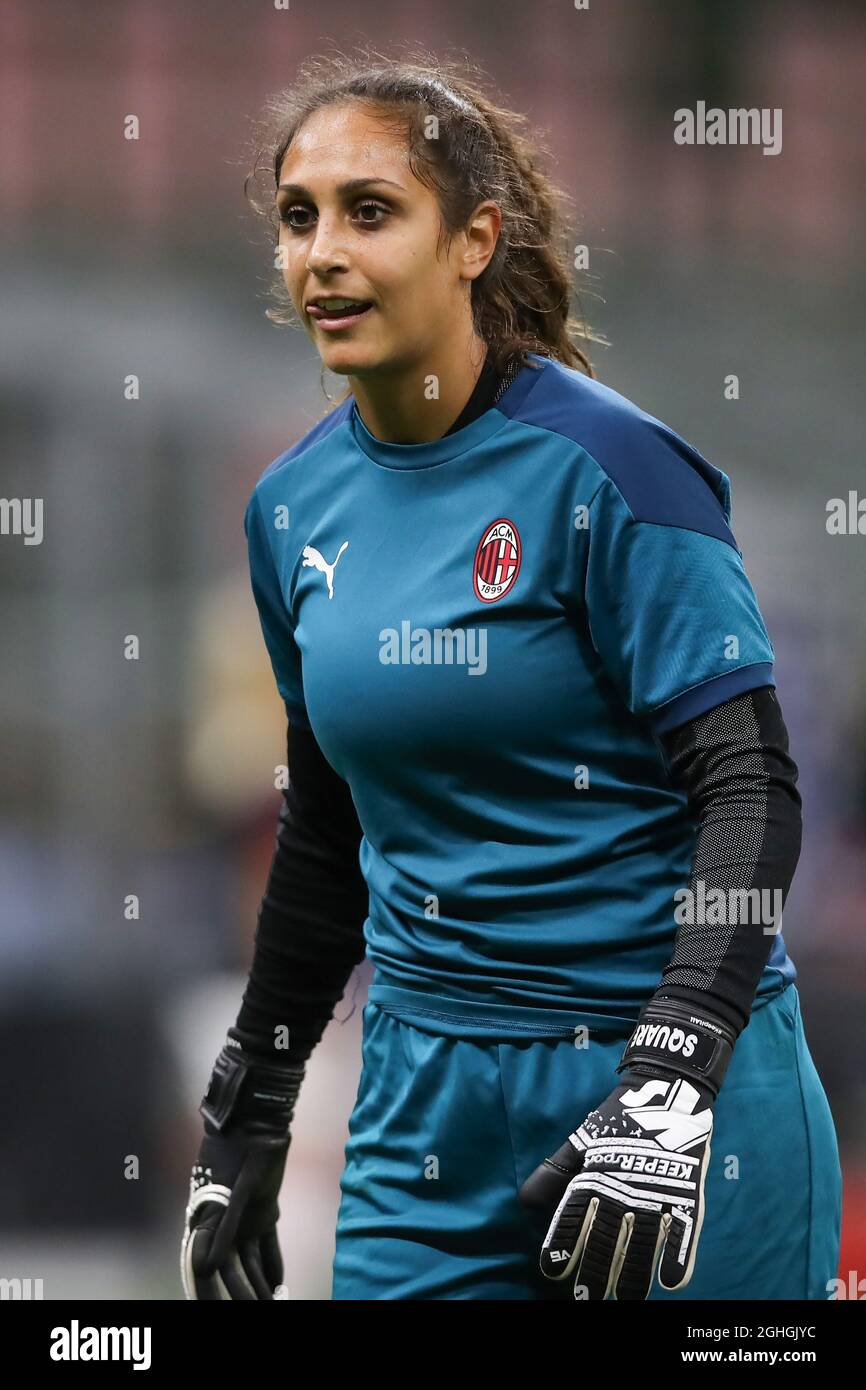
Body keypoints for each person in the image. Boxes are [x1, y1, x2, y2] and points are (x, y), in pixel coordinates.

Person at [181, 51, 842, 1301]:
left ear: (475, 239)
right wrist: (249, 1105)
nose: (321, 250)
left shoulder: (618, 472)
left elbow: (750, 795)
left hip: (669, 1095)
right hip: (422, 1113)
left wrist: (671, 1076)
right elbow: (326, 838)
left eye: (369, 211)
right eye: (296, 215)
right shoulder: (289, 510)